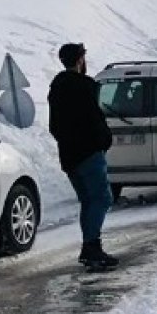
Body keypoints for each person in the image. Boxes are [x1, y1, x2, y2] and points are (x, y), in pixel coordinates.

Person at [48, 42, 118, 270]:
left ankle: (90, 247)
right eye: (83, 57)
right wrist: (104, 139)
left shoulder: (56, 87)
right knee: (102, 198)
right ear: (79, 60)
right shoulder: (85, 86)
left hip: (69, 155)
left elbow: (54, 125)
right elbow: (94, 119)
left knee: (88, 200)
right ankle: (92, 247)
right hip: (89, 153)